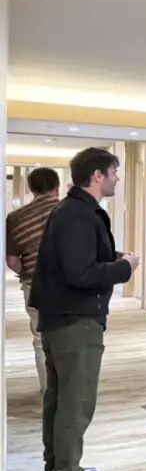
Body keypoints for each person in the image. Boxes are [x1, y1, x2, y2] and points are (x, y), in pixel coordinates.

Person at [30, 148, 139, 471]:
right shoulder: (77, 213)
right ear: (97, 175)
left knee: (60, 400)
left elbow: (78, 262)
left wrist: (113, 259)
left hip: (62, 319)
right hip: (75, 321)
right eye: (114, 172)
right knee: (75, 404)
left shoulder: (72, 210)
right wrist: (124, 268)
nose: (117, 178)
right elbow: (79, 273)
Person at [6, 167, 61, 396]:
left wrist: (29, 273)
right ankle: (69, 391)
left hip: (35, 286)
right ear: (57, 188)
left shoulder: (16, 218)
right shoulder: (70, 212)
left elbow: (11, 261)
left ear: (31, 189)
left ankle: (48, 390)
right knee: (69, 337)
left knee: (40, 340)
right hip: (69, 286)